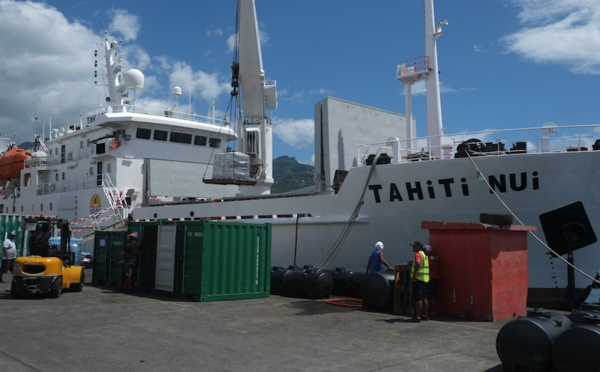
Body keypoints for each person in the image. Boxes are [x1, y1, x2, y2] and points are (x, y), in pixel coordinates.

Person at [409, 240, 430, 322]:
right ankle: (425, 315)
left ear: (419, 247)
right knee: (424, 297)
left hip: (418, 279)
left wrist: (414, 274)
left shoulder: (418, 254)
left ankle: (418, 316)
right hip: (424, 279)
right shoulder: (424, 254)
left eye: (414, 246)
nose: (413, 248)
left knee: (418, 298)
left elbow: (418, 263)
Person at [424, 244, 440, 315]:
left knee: (429, 296)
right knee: (433, 295)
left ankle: (431, 311)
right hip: (436, 277)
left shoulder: (428, 257)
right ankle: (433, 311)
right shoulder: (435, 256)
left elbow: (428, 266)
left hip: (430, 277)